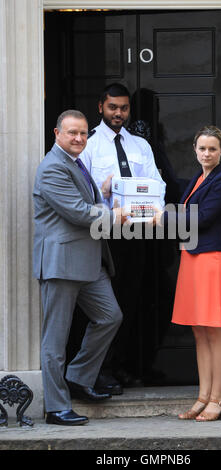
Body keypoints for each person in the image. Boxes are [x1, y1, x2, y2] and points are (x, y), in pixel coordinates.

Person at [33, 110, 126, 425]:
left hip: (88, 261)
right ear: (56, 133)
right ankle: (56, 408)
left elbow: (87, 202)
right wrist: (115, 217)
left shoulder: (75, 163)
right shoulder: (51, 168)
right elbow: (76, 211)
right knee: (55, 340)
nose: (78, 138)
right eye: (72, 132)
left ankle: (78, 376)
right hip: (60, 263)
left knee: (110, 316)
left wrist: (106, 194)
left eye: (84, 133)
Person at [80, 83, 166, 393]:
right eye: (113, 107)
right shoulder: (89, 145)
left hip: (138, 233)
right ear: (101, 107)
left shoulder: (140, 145)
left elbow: (158, 184)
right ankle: (97, 370)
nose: (119, 113)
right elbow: (79, 194)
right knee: (106, 305)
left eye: (124, 108)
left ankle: (121, 366)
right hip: (104, 236)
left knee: (131, 300)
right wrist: (99, 192)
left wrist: (152, 209)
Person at [155, 125, 221, 421]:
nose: (206, 153)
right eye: (202, 148)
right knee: (199, 330)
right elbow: (184, 211)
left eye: (212, 148)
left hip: (212, 259)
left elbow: (202, 218)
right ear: (194, 149)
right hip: (192, 258)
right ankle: (203, 397)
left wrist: (165, 215)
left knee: (215, 328)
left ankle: (218, 398)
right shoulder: (196, 179)